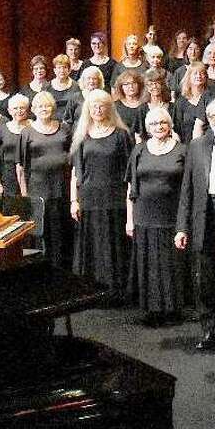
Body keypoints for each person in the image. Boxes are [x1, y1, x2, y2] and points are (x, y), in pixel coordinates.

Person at [176, 97, 215, 351]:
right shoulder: (197, 145)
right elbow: (187, 190)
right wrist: (182, 226)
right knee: (206, 279)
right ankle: (210, 327)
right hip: (204, 218)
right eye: (214, 117)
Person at [69, 89, 134, 300]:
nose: (97, 109)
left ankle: (114, 292)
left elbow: (130, 172)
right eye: (93, 106)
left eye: (102, 105)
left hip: (115, 199)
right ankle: (92, 293)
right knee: (93, 247)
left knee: (113, 247)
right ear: (88, 109)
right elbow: (76, 172)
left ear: (109, 108)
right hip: (89, 200)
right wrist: (73, 200)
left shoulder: (121, 135)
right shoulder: (82, 136)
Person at [126, 107, 187, 326]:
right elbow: (131, 186)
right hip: (144, 215)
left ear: (170, 125)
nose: (158, 127)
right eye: (153, 124)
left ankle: (172, 308)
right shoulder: (139, 150)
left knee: (171, 263)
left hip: (171, 216)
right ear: (147, 128)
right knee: (148, 263)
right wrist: (129, 219)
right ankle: (151, 309)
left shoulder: (182, 150)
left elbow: (187, 188)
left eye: (162, 123)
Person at [20, 92, 73, 269]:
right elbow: (21, 166)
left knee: (60, 230)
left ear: (53, 108)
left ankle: (60, 268)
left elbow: (72, 156)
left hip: (61, 186)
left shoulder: (64, 128)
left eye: (47, 105)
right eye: (40, 106)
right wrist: (24, 194)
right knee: (40, 232)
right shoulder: (27, 132)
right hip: (37, 188)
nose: (44, 109)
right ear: (33, 109)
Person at [0, 93, 30, 198]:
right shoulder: (1, 129)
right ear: (9, 111)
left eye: (22, 108)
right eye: (15, 108)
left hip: (30, 177)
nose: (19, 111)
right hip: (7, 177)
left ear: (28, 110)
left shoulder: (34, 128)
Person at [174, 62, 210, 144]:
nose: (199, 76)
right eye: (195, 73)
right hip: (186, 145)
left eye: (202, 73)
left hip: (208, 144)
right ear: (189, 77)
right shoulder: (180, 102)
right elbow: (176, 129)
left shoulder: (210, 98)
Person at [111, 71, 147, 141]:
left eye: (134, 83)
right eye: (126, 84)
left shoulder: (146, 105)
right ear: (121, 87)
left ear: (139, 85)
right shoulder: (115, 106)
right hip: (122, 142)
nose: (131, 86)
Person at [47, 54, 82, 121]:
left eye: (65, 67)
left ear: (69, 70)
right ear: (54, 70)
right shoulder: (47, 87)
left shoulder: (76, 86)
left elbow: (78, 108)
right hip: (51, 122)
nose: (62, 70)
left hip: (71, 122)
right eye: (59, 67)